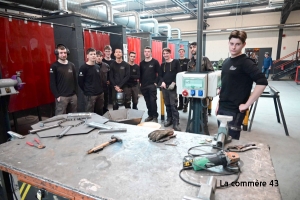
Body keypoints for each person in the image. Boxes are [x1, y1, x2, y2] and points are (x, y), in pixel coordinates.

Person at [216, 30, 268, 140]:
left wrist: (247, 104)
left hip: (235, 110)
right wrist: (218, 104)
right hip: (222, 108)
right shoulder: (226, 62)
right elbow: (225, 85)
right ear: (228, 43)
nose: (233, 47)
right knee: (221, 139)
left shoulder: (246, 62)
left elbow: (262, 82)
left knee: (230, 144)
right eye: (231, 43)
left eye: (237, 44)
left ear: (244, 44)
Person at [187, 42, 214, 135]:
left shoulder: (205, 60)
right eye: (191, 47)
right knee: (194, 108)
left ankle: (204, 128)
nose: (192, 49)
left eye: (194, 47)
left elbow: (211, 73)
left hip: (203, 90)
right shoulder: (190, 62)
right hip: (193, 89)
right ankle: (195, 126)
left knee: (203, 109)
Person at [50, 44, 77, 115]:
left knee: (73, 116)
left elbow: (75, 80)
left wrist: (75, 94)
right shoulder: (54, 66)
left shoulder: (71, 65)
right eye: (61, 53)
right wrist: (57, 96)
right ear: (57, 54)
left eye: (65, 53)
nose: (63, 54)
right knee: (60, 117)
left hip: (72, 96)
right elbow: (52, 83)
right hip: (61, 97)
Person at [159, 48, 182, 131]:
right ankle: (169, 119)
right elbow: (160, 76)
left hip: (173, 87)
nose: (165, 55)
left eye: (167, 53)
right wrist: (162, 82)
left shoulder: (176, 62)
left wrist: (174, 82)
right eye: (164, 53)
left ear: (170, 53)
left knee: (173, 105)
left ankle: (176, 122)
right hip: (165, 87)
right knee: (167, 104)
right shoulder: (162, 65)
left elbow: (179, 74)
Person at [78, 48, 104, 115]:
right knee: (90, 114)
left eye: (94, 54)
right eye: (91, 54)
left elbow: (99, 80)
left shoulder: (97, 67)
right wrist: (87, 90)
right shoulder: (83, 67)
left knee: (100, 112)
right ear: (87, 56)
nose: (93, 56)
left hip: (100, 94)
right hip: (90, 95)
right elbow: (80, 82)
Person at [140, 46, 160, 123]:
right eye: (145, 51)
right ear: (144, 53)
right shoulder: (142, 63)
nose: (147, 53)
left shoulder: (155, 62)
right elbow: (140, 74)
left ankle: (155, 116)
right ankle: (150, 115)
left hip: (152, 85)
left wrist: (156, 82)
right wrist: (141, 83)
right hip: (144, 86)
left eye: (148, 51)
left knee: (153, 101)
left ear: (151, 52)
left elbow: (159, 73)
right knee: (147, 101)